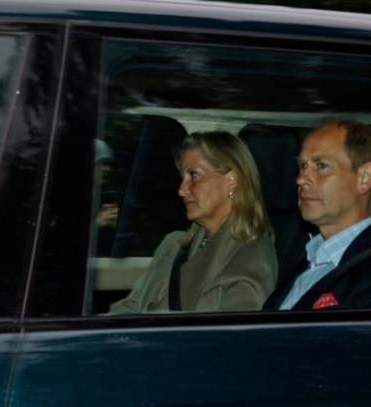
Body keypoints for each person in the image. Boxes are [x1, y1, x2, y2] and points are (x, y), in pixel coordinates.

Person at [109, 131, 276, 313]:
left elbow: (232, 336)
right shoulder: (172, 246)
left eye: (194, 176)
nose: (182, 190)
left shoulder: (251, 255)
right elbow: (129, 308)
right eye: (182, 178)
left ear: (231, 181)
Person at [264, 119, 371, 310]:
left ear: (365, 177)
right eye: (302, 166)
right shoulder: (303, 257)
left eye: (321, 166)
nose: (301, 179)